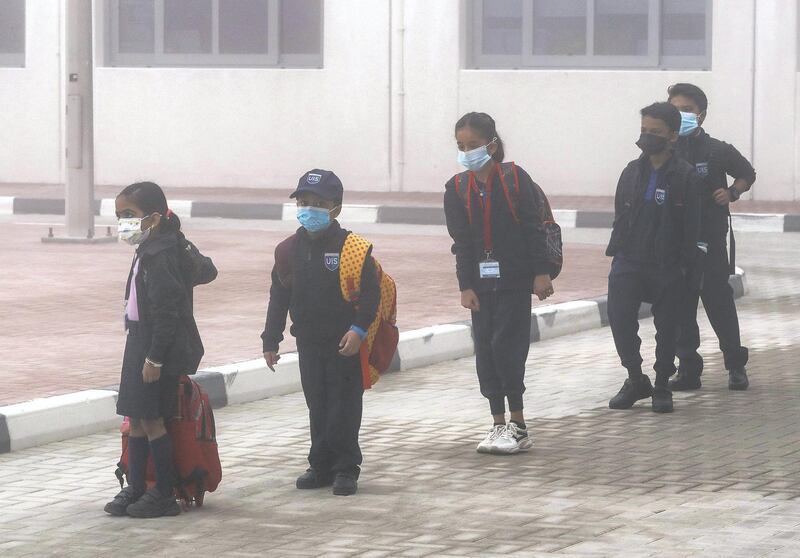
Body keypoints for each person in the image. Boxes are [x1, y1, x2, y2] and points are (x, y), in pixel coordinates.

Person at [262, 169, 380, 496]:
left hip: (345, 344)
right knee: (318, 403)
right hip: (309, 343)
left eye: (318, 203)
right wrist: (271, 339)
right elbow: (279, 297)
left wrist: (358, 330)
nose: (309, 209)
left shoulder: (354, 249)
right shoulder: (287, 251)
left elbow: (372, 295)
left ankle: (346, 467)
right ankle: (320, 464)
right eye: (303, 202)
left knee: (344, 405)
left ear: (335, 208)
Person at [443, 112, 554, 455]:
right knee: (486, 351)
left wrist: (541, 272)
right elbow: (460, 242)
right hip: (480, 284)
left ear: (491, 144)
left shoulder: (515, 179)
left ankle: (518, 425)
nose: (466, 152)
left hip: (515, 279)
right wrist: (466, 285)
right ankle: (496, 423)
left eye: (473, 145)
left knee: (508, 348)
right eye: (461, 146)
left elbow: (534, 229)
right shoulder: (457, 188)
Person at [105, 181, 217, 517]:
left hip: (157, 349)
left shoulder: (162, 254)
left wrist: (154, 357)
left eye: (129, 215)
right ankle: (137, 488)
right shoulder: (147, 249)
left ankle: (164, 494)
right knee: (137, 419)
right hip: (139, 341)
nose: (123, 222)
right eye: (119, 215)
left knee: (154, 420)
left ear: (152, 219)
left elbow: (168, 314)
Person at [606, 102, 702, 413]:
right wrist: (618, 250)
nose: (647, 137)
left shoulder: (685, 176)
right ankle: (636, 378)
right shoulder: (631, 171)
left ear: (673, 136)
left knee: (668, 327)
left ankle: (662, 384)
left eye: (655, 132)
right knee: (619, 318)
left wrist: (687, 269)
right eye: (644, 131)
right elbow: (621, 214)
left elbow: (692, 227)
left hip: (668, 264)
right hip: (628, 260)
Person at [667, 83, 756, 391]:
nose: (680, 115)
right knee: (681, 306)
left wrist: (732, 192)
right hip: (676, 244)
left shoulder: (717, 150)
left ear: (701, 115)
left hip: (711, 239)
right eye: (674, 108)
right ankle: (688, 370)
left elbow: (747, 173)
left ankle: (735, 366)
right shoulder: (664, 150)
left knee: (718, 302)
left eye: (687, 109)